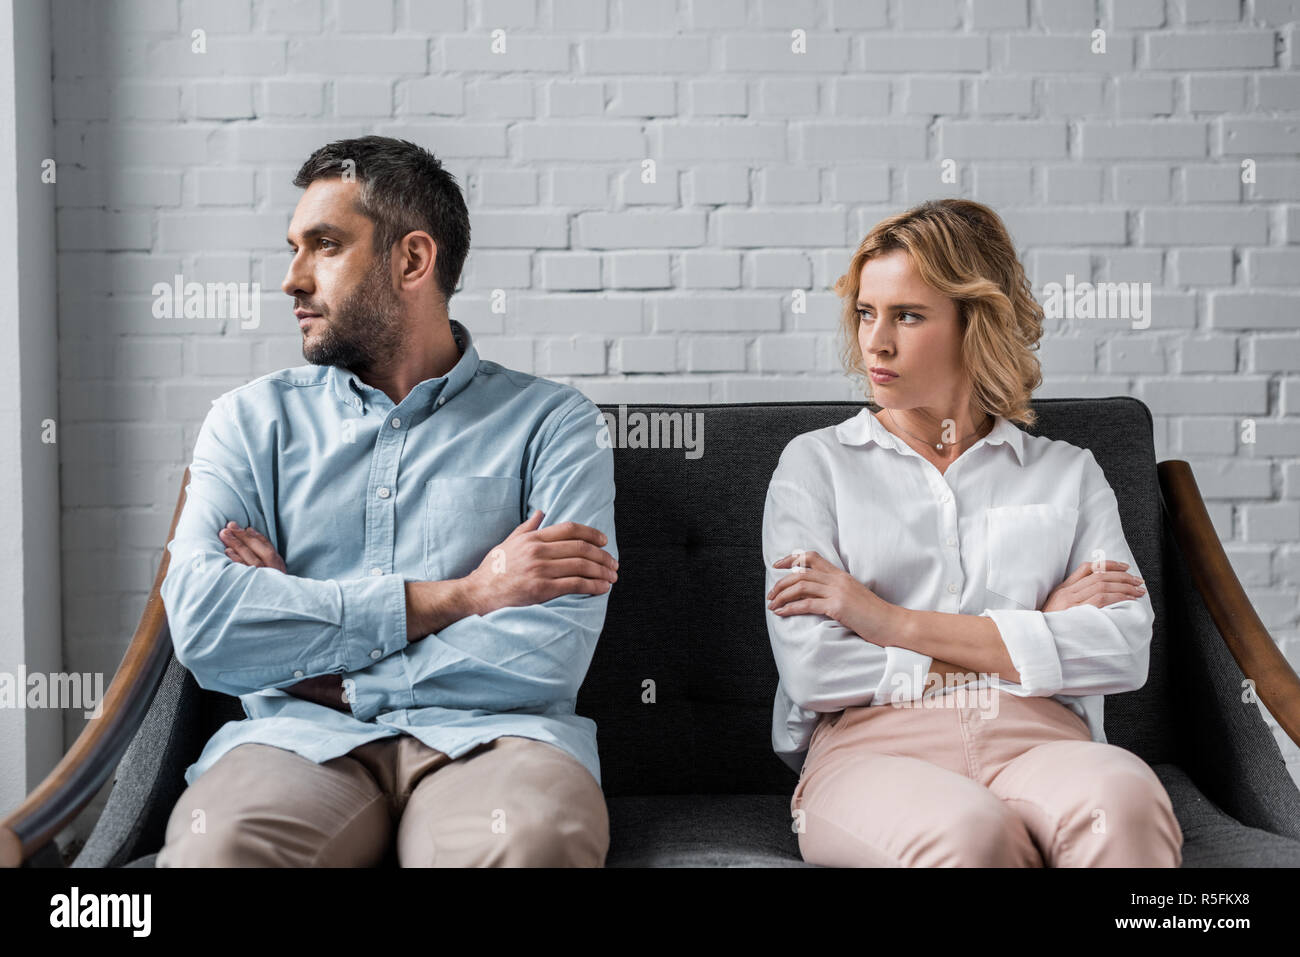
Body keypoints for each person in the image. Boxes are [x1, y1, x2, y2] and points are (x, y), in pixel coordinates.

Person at [156, 136, 618, 867]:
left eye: (325, 246)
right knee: (222, 843)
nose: (291, 279)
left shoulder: (554, 423)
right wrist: (464, 594)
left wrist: (321, 652)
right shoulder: (247, 422)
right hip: (297, 743)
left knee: (531, 840)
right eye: (293, 248)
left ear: (412, 260)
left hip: (494, 740)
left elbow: (549, 652)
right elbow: (207, 626)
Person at [762, 198, 1183, 867]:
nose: (876, 341)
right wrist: (1030, 630)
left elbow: (1124, 650)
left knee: (1126, 802)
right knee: (971, 833)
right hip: (875, 748)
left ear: (974, 323)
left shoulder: (1067, 474)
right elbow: (817, 670)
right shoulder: (815, 466)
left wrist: (886, 619)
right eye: (866, 312)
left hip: (1042, 740)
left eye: (907, 314)